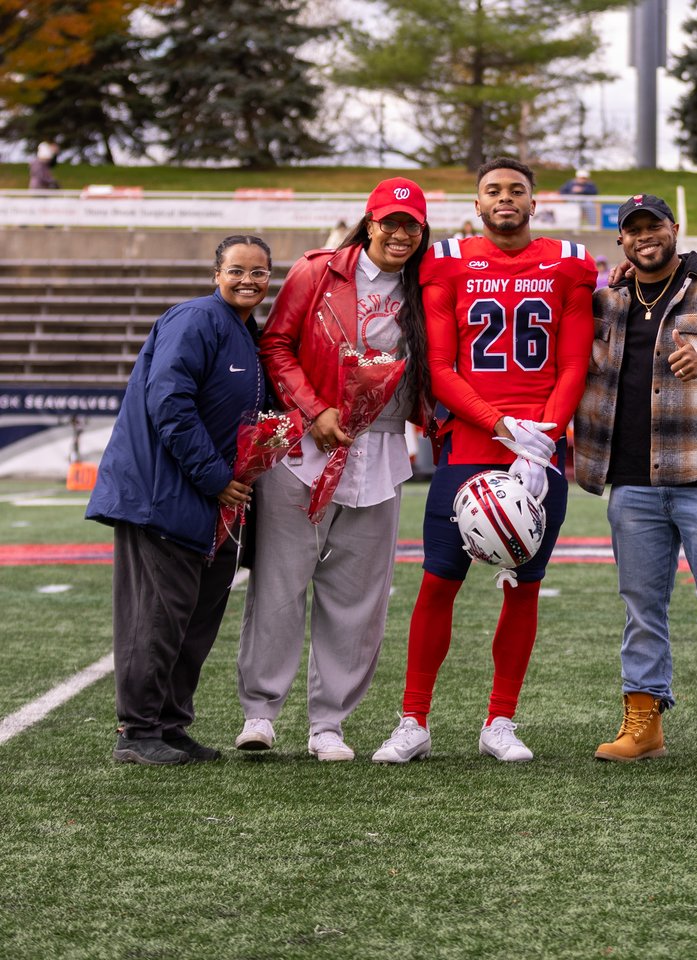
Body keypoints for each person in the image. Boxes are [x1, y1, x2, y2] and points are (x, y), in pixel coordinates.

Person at [371, 157, 596, 765]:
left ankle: (500, 720)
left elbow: (574, 362)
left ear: (533, 201)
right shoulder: (446, 259)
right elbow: (440, 369)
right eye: (493, 190)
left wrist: (542, 436)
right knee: (439, 581)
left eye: (516, 190)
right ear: (477, 203)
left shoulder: (569, 261)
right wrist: (501, 426)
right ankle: (412, 720)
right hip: (469, 445)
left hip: (541, 451)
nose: (505, 199)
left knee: (524, 585)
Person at [234, 178, 434, 761]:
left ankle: (329, 724)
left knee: (358, 599)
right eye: (389, 221)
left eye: (411, 225)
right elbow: (276, 344)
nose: (399, 233)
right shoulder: (319, 270)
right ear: (369, 222)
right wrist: (314, 409)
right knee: (278, 586)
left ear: (423, 233)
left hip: (383, 454)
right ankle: (260, 712)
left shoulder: (428, 286)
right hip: (305, 451)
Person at [576, 195, 697, 766]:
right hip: (632, 481)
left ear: (674, 229)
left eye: (653, 226)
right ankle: (643, 723)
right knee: (641, 606)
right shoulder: (608, 299)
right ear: (622, 241)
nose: (644, 237)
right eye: (632, 230)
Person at [86, 235, 272, 764]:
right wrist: (215, 478)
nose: (247, 281)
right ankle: (137, 731)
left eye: (258, 273)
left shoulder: (245, 333)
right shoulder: (195, 318)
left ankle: (169, 724)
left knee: (193, 621)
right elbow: (169, 402)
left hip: (210, 504)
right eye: (237, 270)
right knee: (158, 618)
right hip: (165, 496)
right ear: (216, 273)